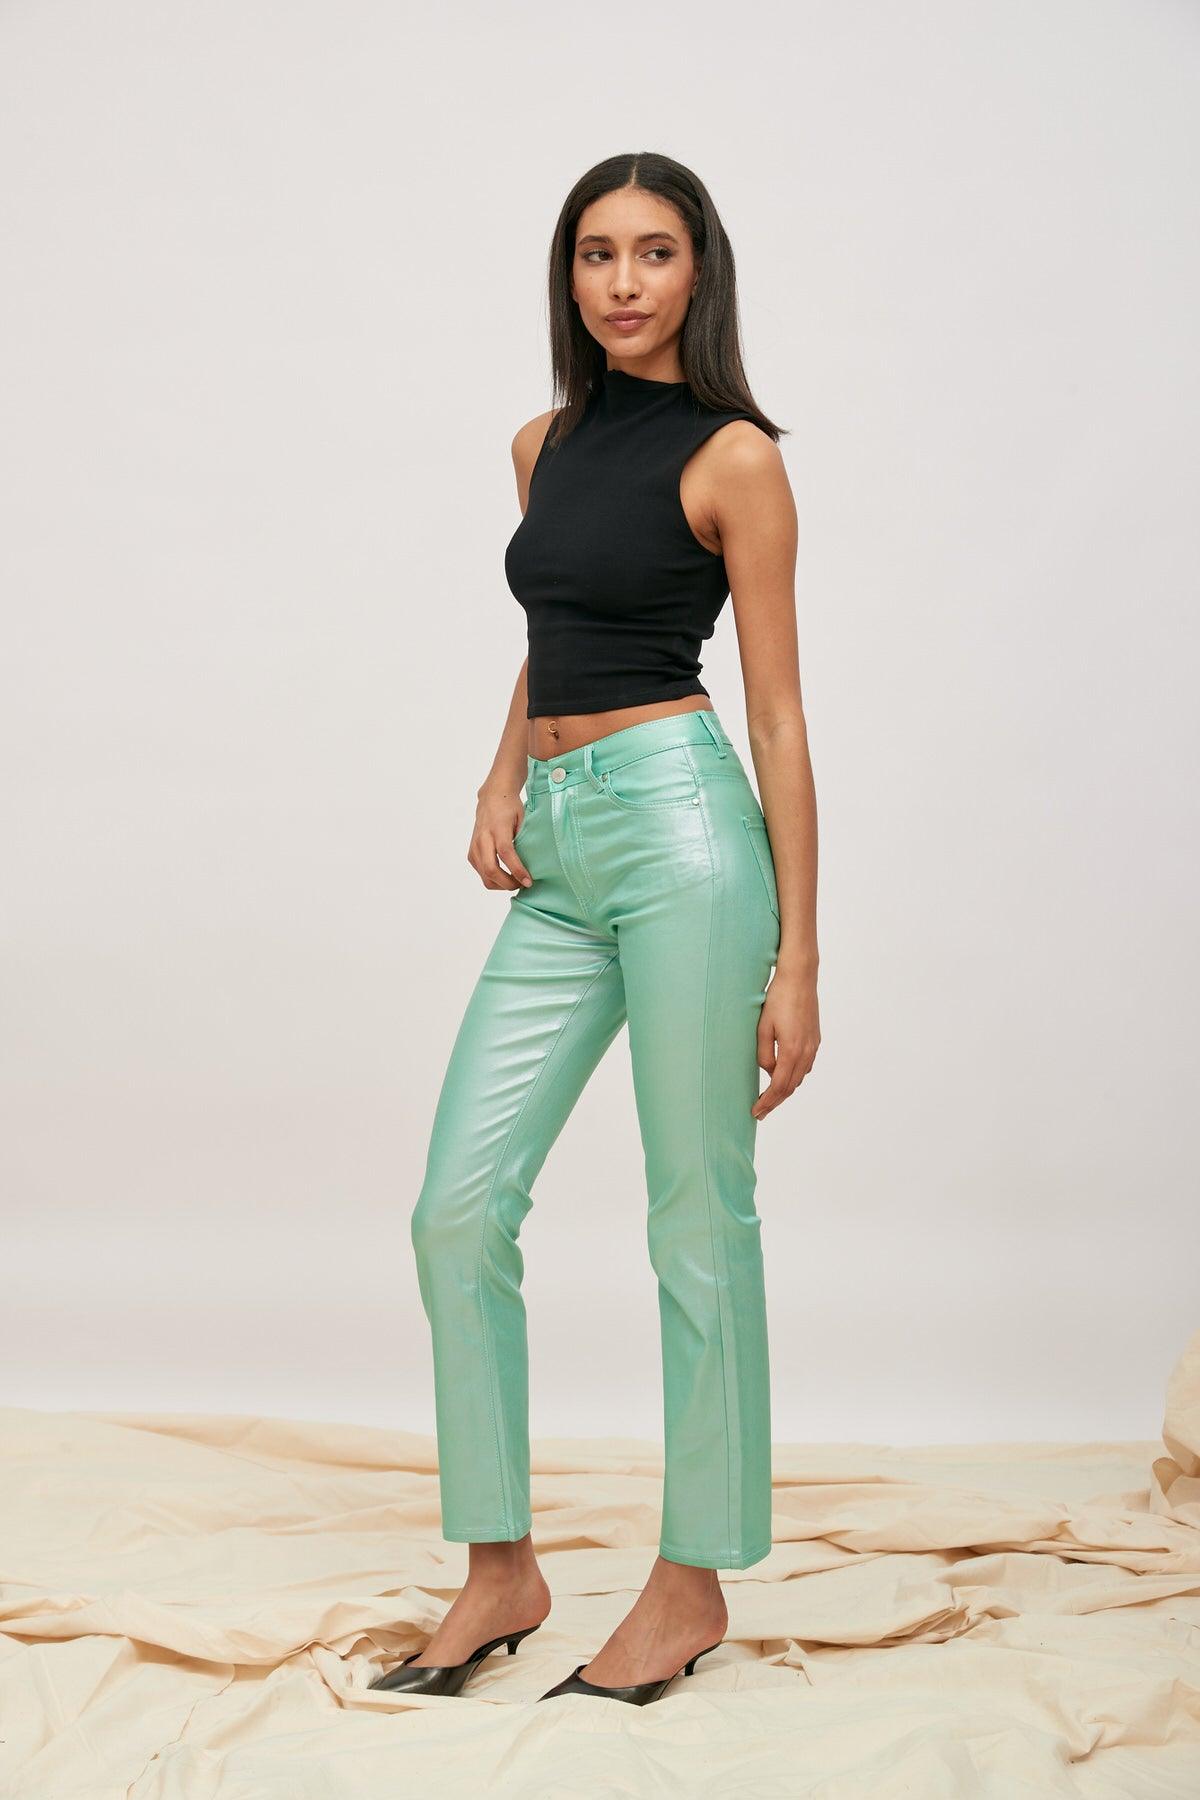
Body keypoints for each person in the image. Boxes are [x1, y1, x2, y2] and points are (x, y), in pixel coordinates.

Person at [371, 150, 820, 1706]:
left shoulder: (736, 458)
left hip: (687, 834)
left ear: (702, 273)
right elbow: (554, 629)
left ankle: (691, 1581)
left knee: (696, 1215)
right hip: (561, 846)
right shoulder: (543, 445)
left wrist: (800, 956)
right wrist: (503, 773)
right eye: (596, 253)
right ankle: (501, 1566)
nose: (624, 282)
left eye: (655, 252)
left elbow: (777, 715)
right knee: (456, 1206)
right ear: (568, 276)